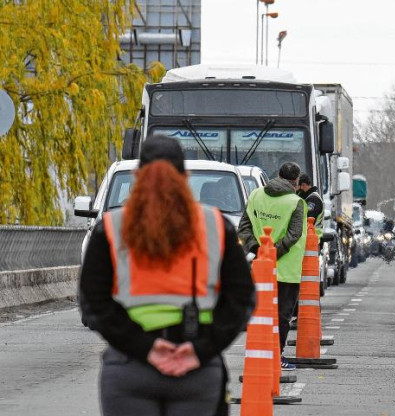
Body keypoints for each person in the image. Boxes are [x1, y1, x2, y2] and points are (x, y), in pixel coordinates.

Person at [79, 135, 255, 416]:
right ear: (184, 176)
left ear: (138, 176)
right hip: (196, 371)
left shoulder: (111, 229)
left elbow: (94, 303)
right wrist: (201, 350)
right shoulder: (216, 226)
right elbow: (241, 299)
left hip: (130, 368)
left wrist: (146, 348)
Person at [239, 162, 307, 371]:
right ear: (296, 182)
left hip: (259, 267)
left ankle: (258, 354)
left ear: (277, 175)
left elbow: (244, 227)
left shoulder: (256, 195)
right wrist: (274, 253)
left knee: (260, 313)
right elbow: (294, 235)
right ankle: (276, 356)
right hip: (286, 270)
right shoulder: (296, 202)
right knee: (282, 315)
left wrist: (259, 251)